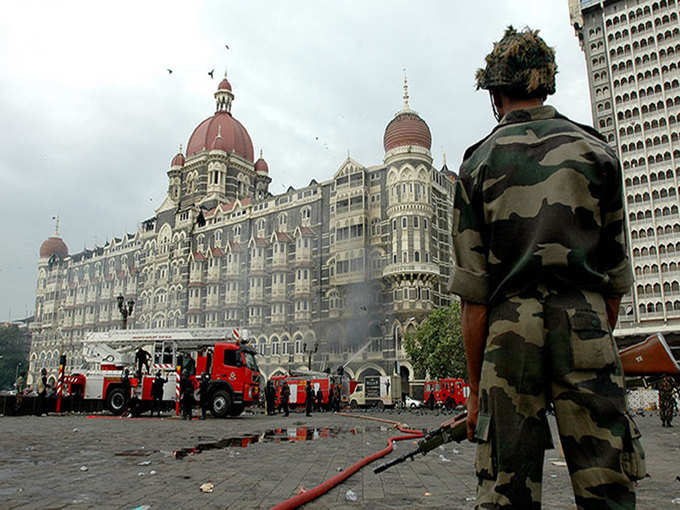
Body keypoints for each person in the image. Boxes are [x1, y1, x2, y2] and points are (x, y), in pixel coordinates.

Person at [449, 26, 645, 509]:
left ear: (495, 93)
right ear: (546, 83)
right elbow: (616, 279)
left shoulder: (478, 165)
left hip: (508, 337)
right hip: (587, 321)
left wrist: (475, 394)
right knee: (608, 488)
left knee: (505, 492)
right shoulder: (597, 153)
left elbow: (474, 301)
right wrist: (588, 326)